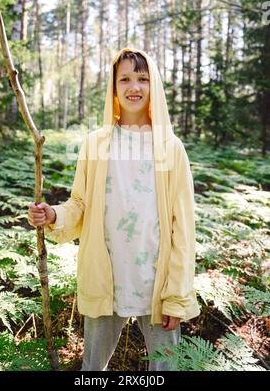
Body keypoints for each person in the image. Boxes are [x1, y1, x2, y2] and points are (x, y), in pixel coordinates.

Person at [28, 47, 201, 371]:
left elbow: (184, 228)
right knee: (92, 369)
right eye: (125, 79)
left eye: (142, 78)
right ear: (113, 87)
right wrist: (54, 216)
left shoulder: (170, 148)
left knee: (165, 369)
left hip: (157, 288)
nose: (134, 86)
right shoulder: (96, 144)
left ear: (154, 86)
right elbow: (80, 204)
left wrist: (175, 296)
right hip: (105, 282)